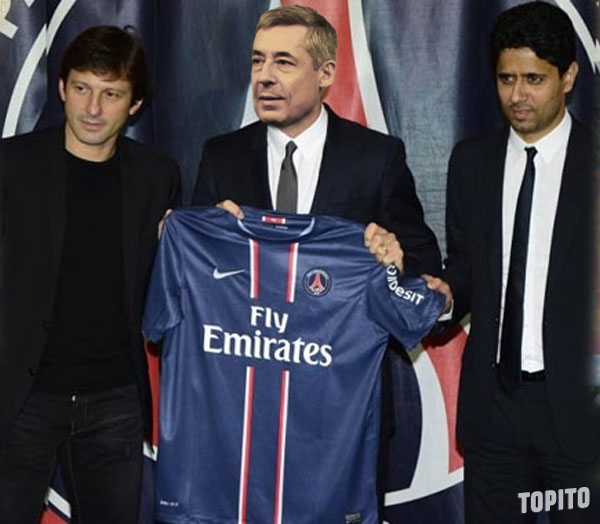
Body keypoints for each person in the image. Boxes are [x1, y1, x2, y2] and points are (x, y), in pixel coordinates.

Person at [190, 4, 441, 514]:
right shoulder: (222, 155)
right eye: (258, 60)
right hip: (244, 409)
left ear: (326, 74)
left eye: (283, 62)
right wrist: (205, 235)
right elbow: (198, 281)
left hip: (343, 413)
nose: (264, 76)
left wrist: (395, 259)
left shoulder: (376, 157)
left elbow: (423, 262)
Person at [425, 2, 600, 522]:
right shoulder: (471, 161)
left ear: (568, 77)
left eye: (533, 79)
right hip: (494, 410)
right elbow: (465, 269)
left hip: (583, 410)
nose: (517, 95)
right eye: (506, 79)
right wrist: (442, 296)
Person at [0, 26, 180, 523]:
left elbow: (180, 279)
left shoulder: (157, 176)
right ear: (62, 88)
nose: (93, 108)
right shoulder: (11, 166)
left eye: (111, 94)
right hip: (21, 399)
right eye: (82, 88)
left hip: (113, 399)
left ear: (135, 103)